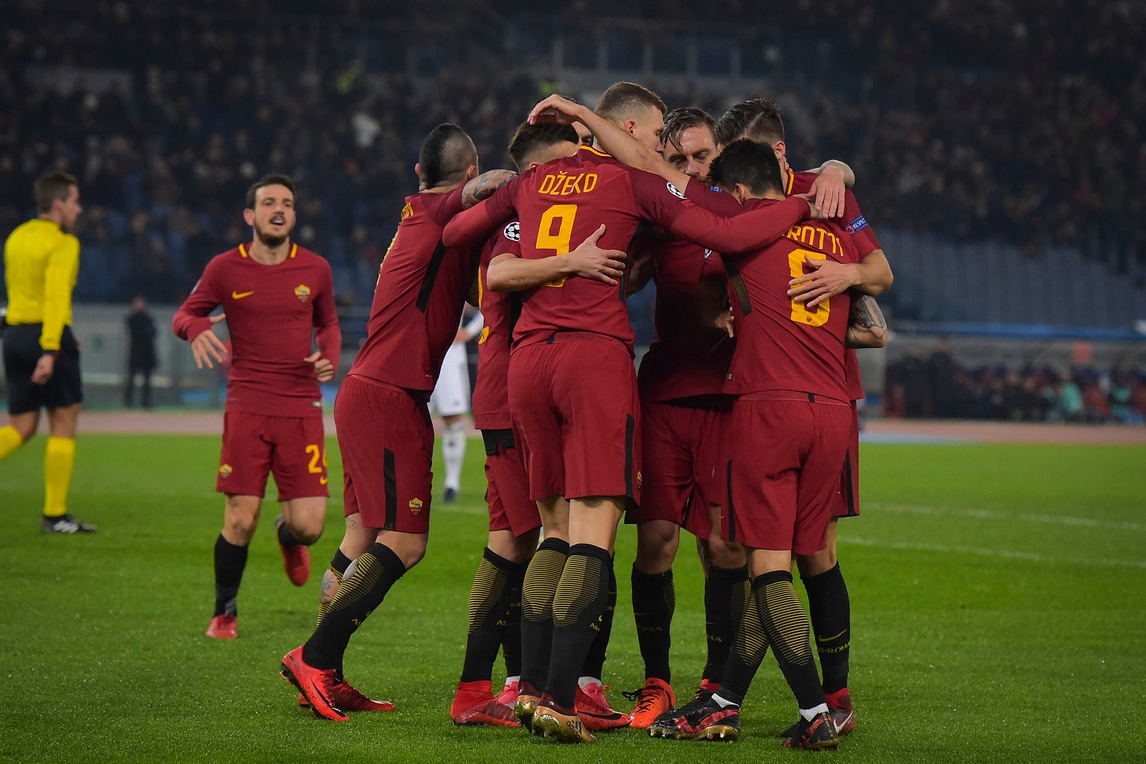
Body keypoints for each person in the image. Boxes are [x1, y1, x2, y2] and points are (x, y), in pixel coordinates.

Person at [443, 88, 819, 744]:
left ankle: (530, 688)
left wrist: (488, 189)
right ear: (626, 130)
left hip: (529, 360)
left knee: (554, 532)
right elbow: (728, 231)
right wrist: (800, 204)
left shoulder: (533, 181)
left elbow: (456, 234)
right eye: (652, 134)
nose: (658, 149)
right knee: (594, 536)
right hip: (592, 361)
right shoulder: (632, 182)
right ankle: (560, 699)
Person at [650, 139, 885, 749]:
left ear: (737, 191)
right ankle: (726, 698)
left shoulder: (744, 232)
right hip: (833, 412)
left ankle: (815, 712)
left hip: (767, 410)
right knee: (786, 564)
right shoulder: (836, 236)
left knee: (767, 568)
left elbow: (680, 214)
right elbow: (876, 326)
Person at [278, 124, 512, 722]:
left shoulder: (419, 219)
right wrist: (537, 181)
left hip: (366, 390)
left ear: (417, 173)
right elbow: (488, 185)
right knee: (405, 543)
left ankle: (325, 670)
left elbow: (473, 292)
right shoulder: (440, 213)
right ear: (468, 175)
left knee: (360, 536)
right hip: (390, 396)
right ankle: (315, 656)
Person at [449, 121, 630, 729]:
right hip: (521, 386)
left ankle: (522, 685)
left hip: (514, 383)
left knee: (532, 538)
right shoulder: (521, 216)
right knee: (543, 539)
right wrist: (574, 260)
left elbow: (471, 261)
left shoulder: (520, 211)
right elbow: (497, 275)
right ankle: (522, 686)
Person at [172, 173, 341, 640]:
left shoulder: (316, 269)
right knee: (240, 518)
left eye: (286, 202)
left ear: (294, 215)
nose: (278, 209)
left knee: (309, 528)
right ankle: (224, 613)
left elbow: (328, 324)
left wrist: (328, 355)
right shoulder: (224, 268)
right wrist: (196, 329)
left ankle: (287, 535)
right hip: (247, 404)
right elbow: (185, 314)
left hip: (301, 405)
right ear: (251, 215)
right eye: (269, 202)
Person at [0, 170, 92, 534]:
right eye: (74, 201)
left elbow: (23, 291)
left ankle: (56, 516)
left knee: (20, 427)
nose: (78, 209)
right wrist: (52, 349)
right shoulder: (63, 242)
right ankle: (55, 515)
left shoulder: (17, 237)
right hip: (45, 338)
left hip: (15, 334)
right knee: (64, 420)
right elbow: (55, 297)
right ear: (58, 204)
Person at [430, 306, 484, 503]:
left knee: (452, 419)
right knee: (411, 420)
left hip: (449, 357)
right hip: (414, 352)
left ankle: (451, 484)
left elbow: (485, 302)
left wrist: (469, 331)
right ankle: (412, 480)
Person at [124, 295, 157, 408]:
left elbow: (153, 332)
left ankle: (146, 402)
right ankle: (128, 401)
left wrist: (145, 332)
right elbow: (136, 333)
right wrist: (145, 332)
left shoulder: (148, 318)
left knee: (147, 379)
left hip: (147, 353)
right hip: (136, 352)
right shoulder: (131, 319)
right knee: (131, 377)